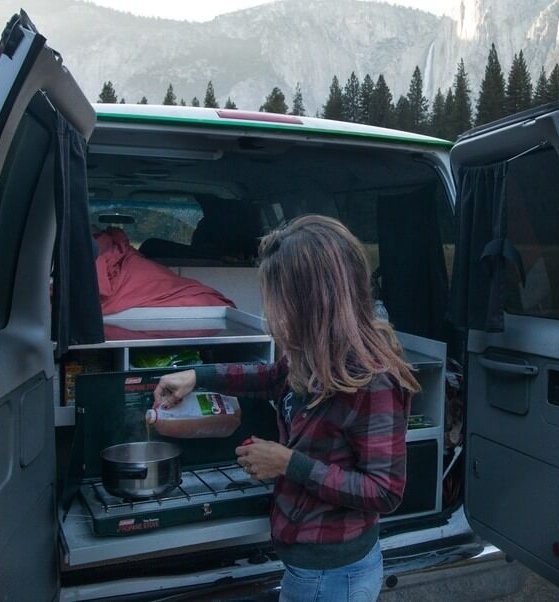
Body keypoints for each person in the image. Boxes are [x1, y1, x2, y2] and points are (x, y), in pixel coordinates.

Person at [154, 215, 419, 602]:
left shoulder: (373, 380)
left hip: (334, 577)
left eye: (279, 301)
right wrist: (197, 376)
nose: (272, 314)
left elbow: (385, 491)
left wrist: (287, 463)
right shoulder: (311, 351)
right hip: (306, 566)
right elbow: (271, 378)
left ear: (316, 301)